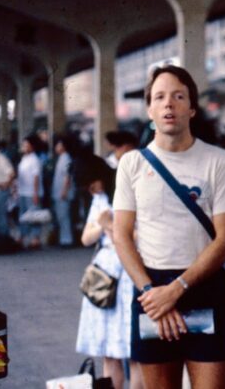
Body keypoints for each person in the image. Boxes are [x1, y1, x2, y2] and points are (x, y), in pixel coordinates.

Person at [112, 65, 225, 389]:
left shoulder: (218, 160)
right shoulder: (132, 164)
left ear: (192, 108)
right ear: (150, 109)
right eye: (160, 97)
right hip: (150, 290)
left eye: (178, 96)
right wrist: (151, 292)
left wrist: (177, 289)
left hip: (204, 286)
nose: (169, 104)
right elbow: (122, 235)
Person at [75, 155, 143, 389]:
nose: (91, 190)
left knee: (133, 349)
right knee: (108, 350)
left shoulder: (126, 192)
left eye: (92, 184)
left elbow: (136, 238)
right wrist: (104, 226)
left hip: (128, 270)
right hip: (105, 272)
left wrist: (109, 226)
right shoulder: (99, 198)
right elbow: (85, 238)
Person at [17, 134, 45, 249]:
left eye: (26, 145)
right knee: (23, 216)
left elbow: (36, 177)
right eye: (23, 145)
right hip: (23, 191)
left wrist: (35, 193)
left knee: (34, 216)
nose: (24, 147)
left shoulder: (35, 159)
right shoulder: (24, 158)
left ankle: (35, 239)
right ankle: (23, 237)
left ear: (32, 147)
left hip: (32, 192)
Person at [52, 136, 75, 246]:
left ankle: (66, 240)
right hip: (59, 192)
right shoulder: (61, 158)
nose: (56, 147)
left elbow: (67, 176)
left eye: (58, 145)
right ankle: (63, 238)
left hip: (62, 193)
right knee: (61, 216)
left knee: (64, 216)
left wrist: (65, 190)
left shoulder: (66, 158)